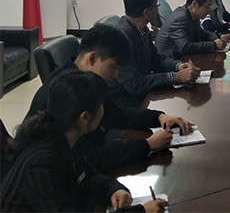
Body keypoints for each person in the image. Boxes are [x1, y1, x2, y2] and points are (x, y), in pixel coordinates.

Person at [25, 24, 194, 173]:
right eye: (113, 67)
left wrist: (158, 117)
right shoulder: (66, 93)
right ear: (92, 58)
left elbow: (116, 114)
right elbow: (89, 157)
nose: (116, 75)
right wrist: (147, 145)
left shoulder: (88, 82)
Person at [1, 70, 168, 212]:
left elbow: (88, 176)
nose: (104, 110)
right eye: (101, 105)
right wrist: (142, 210)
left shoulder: (62, 138)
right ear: (85, 117)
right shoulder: (41, 163)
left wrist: (113, 189)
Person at [111, 0, 200, 107]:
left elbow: (155, 58)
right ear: (146, 12)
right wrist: (175, 77)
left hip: (143, 93)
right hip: (128, 102)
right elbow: (134, 83)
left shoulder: (141, 29)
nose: (158, 8)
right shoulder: (122, 38)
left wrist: (178, 66)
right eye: (156, 5)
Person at [156, 0, 230, 59]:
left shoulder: (193, 14)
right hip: (171, 60)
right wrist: (214, 45)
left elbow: (201, 33)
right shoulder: (180, 18)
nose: (209, 10)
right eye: (208, 6)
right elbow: (185, 47)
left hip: (183, 57)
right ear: (194, 4)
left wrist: (219, 36)